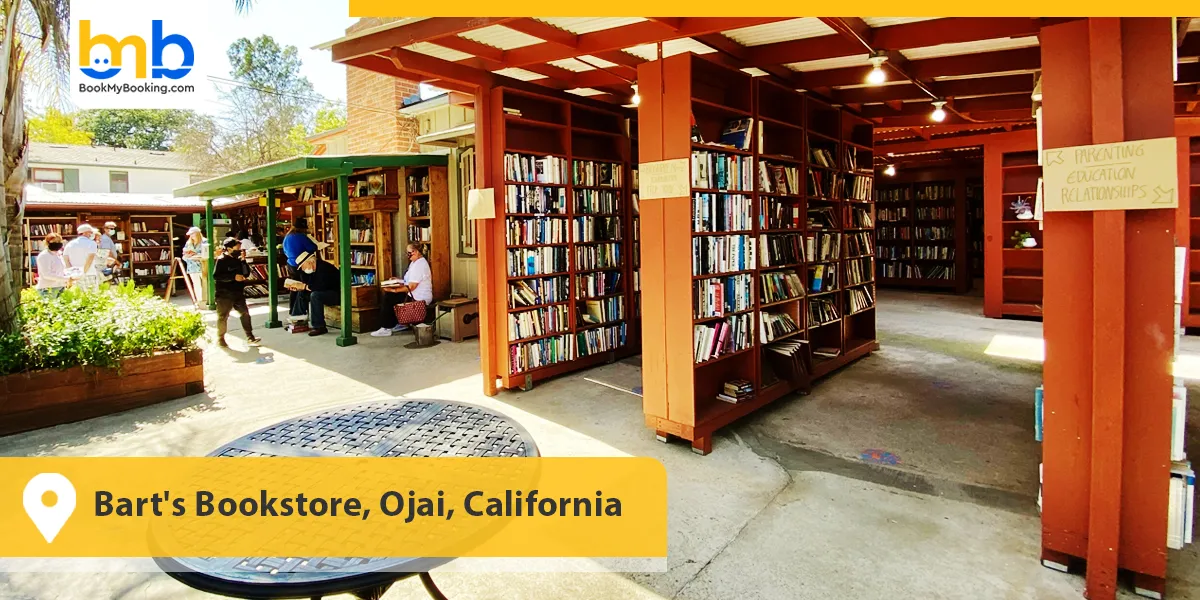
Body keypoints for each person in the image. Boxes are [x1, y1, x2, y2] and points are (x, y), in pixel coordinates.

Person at [370, 243, 434, 337]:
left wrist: (394, 290)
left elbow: (411, 287)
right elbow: (408, 281)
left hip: (418, 297)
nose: (407, 256)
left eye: (409, 253)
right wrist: (396, 281)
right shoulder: (414, 263)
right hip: (412, 294)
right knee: (392, 295)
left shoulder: (420, 265)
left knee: (390, 297)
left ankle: (386, 327)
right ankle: (400, 324)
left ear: (415, 252)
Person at [212, 238, 261, 348]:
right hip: (224, 293)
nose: (239, 250)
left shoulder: (238, 260)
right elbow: (216, 276)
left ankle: (250, 336)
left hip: (238, 292)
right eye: (237, 248)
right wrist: (232, 277)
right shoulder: (221, 260)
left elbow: (246, 274)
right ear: (229, 249)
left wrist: (243, 261)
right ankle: (221, 338)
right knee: (223, 316)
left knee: (245, 313)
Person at [289, 250, 340, 337]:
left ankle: (319, 326)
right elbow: (307, 285)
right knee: (302, 293)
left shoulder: (324, 268)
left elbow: (321, 286)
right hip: (324, 292)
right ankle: (298, 320)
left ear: (311, 262)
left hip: (336, 294)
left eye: (303, 266)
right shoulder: (310, 270)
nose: (303, 269)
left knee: (315, 295)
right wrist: (299, 287)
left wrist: (305, 286)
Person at [282, 218, 319, 321]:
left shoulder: (287, 237)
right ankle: (301, 311)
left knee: (294, 287)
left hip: (290, 264)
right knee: (303, 287)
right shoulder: (302, 237)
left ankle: (292, 311)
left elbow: (284, 250)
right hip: (302, 264)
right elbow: (313, 247)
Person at [62, 224, 99, 290]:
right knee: (91, 297)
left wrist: (72, 273)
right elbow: (90, 259)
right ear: (86, 232)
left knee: (77, 297)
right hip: (89, 274)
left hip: (74, 276)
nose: (92, 234)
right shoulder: (92, 243)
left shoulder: (69, 244)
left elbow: (66, 259)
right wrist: (83, 273)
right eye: (91, 232)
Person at [181, 226, 207, 302]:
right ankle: (199, 300)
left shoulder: (204, 242)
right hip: (192, 267)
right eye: (190, 234)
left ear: (197, 233)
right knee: (196, 284)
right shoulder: (188, 243)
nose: (191, 236)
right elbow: (184, 256)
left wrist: (195, 255)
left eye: (193, 234)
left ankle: (207, 300)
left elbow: (206, 254)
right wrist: (187, 256)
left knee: (205, 284)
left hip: (203, 266)